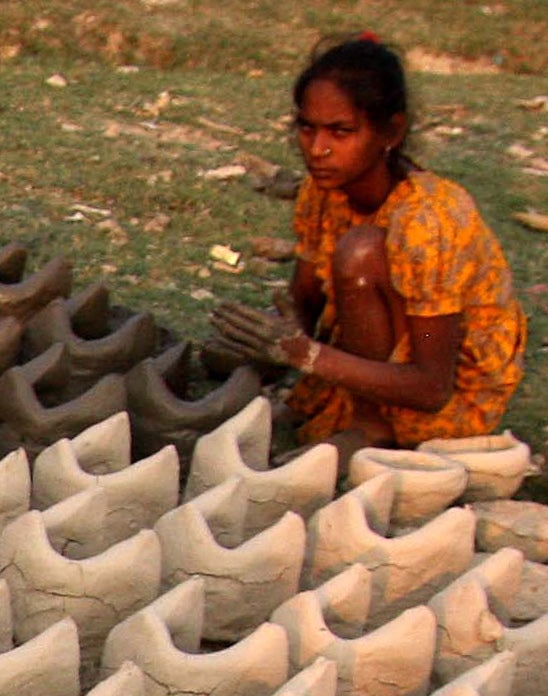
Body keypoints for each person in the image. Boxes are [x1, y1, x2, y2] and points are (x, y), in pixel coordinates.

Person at [214, 34, 526, 454]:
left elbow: (432, 387)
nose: (317, 149)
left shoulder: (429, 220)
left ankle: (370, 428)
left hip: (447, 392)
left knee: (359, 252)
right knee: (222, 358)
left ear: (391, 131)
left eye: (341, 131)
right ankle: (346, 409)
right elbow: (304, 301)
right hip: (375, 360)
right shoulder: (322, 191)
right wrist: (274, 341)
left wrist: (305, 355)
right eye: (307, 128)